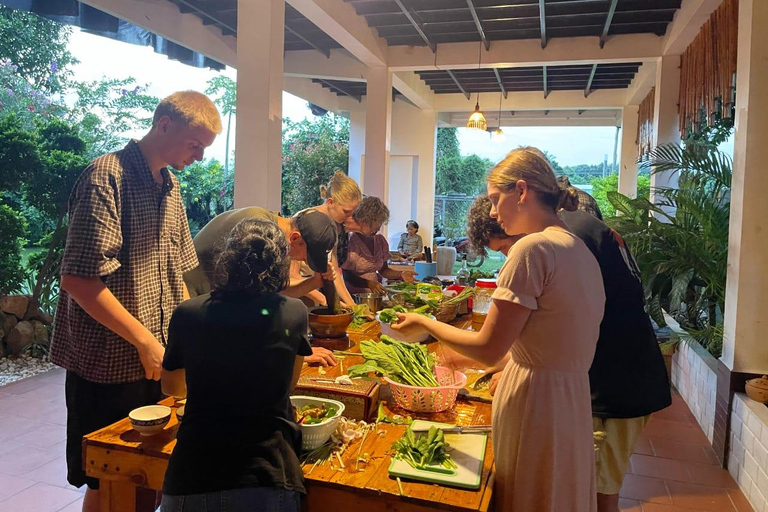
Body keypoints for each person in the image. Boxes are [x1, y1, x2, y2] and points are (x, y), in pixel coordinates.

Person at [393, 147, 605, 512]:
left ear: (521, 191)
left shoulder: (532, 249)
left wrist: (426, 323)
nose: (492, 212)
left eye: (495, 199)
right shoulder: (579, 249)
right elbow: (545, 341)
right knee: (557, 492)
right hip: (572, 399)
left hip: (535, 399)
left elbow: (489, 348)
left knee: (528, 494)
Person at [49, 91, 221, 512]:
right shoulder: (106, 177)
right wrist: (145, 341)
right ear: (164, 125)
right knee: (108, 479)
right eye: (194, 145)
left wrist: (190, 338)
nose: (199, 157)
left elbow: (178, 274)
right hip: (108, 364)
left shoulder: (170, 185)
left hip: (158, 359)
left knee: (151, 473)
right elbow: (78, 280)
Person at [465, 194, 671, 512]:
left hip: (614, 387)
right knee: (581, 490)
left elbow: (560, 332)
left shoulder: (562, 241)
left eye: (505, 248)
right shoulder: (572, 230)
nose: (509, 257)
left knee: (596, 495)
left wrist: (505, 364)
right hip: (617, 378)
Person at [161, 219, 311, 512]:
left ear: (226, 259)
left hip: (191, 475)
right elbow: (288, 385)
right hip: (267, 476)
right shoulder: (294, 312)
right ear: (280, 265)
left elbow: (172, 387)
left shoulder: (188, 313)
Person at [184, 206, 342, 366]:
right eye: (306, 257)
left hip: (216, 305)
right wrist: (294, 353)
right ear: (295, 238)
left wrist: (315, 282)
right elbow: (254, 307)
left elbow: (275, 290)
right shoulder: (258, 232)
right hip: (194, 302)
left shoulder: (274, 233)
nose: (303, 261)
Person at [342, 197, 416, 295]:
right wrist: (368, 283)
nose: (377, 229)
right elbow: (347, 276)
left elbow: (384, 270)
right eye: (375, 225)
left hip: (374, 296)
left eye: (379, 225)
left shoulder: (380, 241)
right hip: (355, 295)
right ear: (365, 221)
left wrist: (401, 274)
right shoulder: (351, 241)